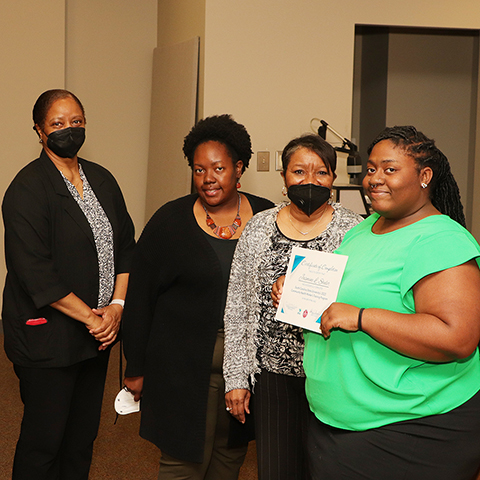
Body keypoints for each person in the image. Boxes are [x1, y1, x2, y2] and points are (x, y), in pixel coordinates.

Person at [299, 126, 480, 479]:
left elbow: (457, 338)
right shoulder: (366, 228)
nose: (375, 179)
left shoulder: (441, 239)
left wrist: (363, 317)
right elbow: (350, 290)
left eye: (390, 169)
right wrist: (299, 288)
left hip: (411, 425)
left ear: (425, 176)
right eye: (370, 169)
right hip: (343, 420)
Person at [122, 114, 274, 480]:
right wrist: (135, 367)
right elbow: (140, 299)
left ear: (239, 168)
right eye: (199, 169)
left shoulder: (269, 217)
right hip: (181, 370)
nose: (208, 178)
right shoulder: (169, 222)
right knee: (182, 465)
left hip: (246, 369)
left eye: (218, 168)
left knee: (229, 459)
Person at [2, 89, 135, 479]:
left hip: (98, 336)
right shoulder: (26, 188)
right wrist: (93, 318)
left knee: (81, 440)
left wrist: (117, 308)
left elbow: (126, 247)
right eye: (58, 124)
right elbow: (35, 272)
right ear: (39, 131)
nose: (68, 130)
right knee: (44, 441)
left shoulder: (103, 180)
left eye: (76, 121)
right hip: (50, 336)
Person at [223, 134, 363, 480]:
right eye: (299, 172)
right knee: (277, 470)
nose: (310, 181)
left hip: (333, 373)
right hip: (273, 377)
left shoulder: (355, 230)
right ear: (284, 177)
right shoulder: (258, 227)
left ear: (333, 178)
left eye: (321, 173)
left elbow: (364, 297)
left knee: (329, 469)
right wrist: (236, 377)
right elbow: (237, 306)